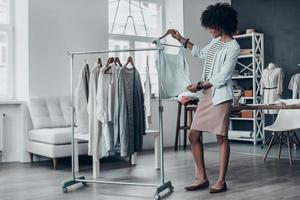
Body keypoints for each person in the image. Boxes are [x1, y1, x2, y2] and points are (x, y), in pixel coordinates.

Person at [170, 2, 240, 193]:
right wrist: (181, 39)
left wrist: (199, 85)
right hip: (207, 95)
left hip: (221, 96)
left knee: (221, 138)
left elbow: (222, 77)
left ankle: (221, 181)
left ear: (221, 24)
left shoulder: (233, 47)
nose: (209, 30)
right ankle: (201, 178)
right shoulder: (216, 42)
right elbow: (201, 53)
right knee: (193, 134)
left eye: (211, 26)